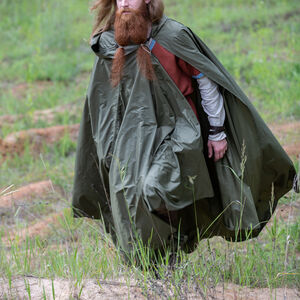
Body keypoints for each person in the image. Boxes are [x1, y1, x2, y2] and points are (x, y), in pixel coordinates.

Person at [72, 0, 296, 258]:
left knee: (156, 187)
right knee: (128, 194)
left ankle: (176, 243)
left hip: (180, 131)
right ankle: (157, 260)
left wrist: (216, 132)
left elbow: (207, 83)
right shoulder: (111, 44)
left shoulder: (173, 36)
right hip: (135, 136)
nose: (124, 3)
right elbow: (105, 100)